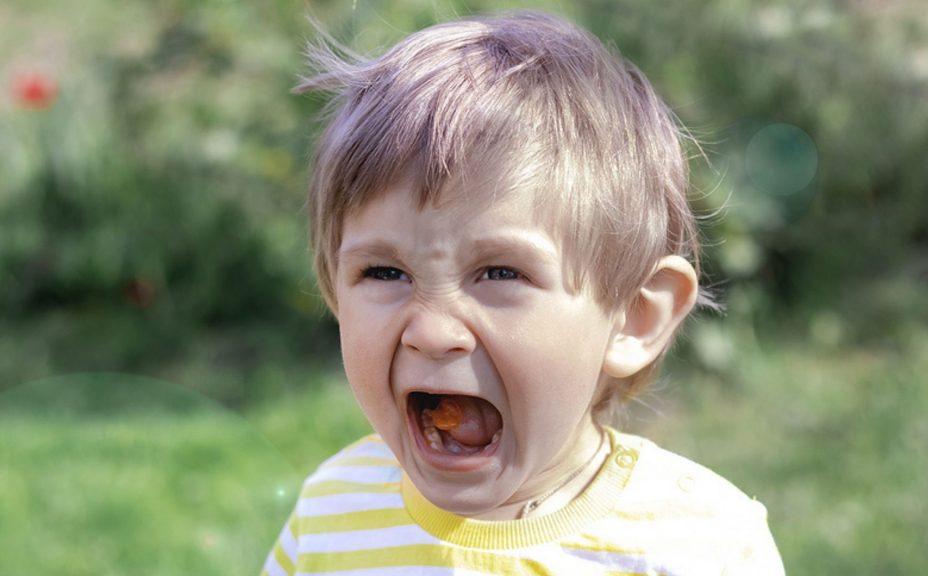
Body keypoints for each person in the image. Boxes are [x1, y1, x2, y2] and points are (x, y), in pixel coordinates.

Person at [261, 10, 784, 575]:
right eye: (385, 273)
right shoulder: (332, 517)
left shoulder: (699, 546)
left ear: (634, 316)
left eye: (500, 273)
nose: (433, 332)